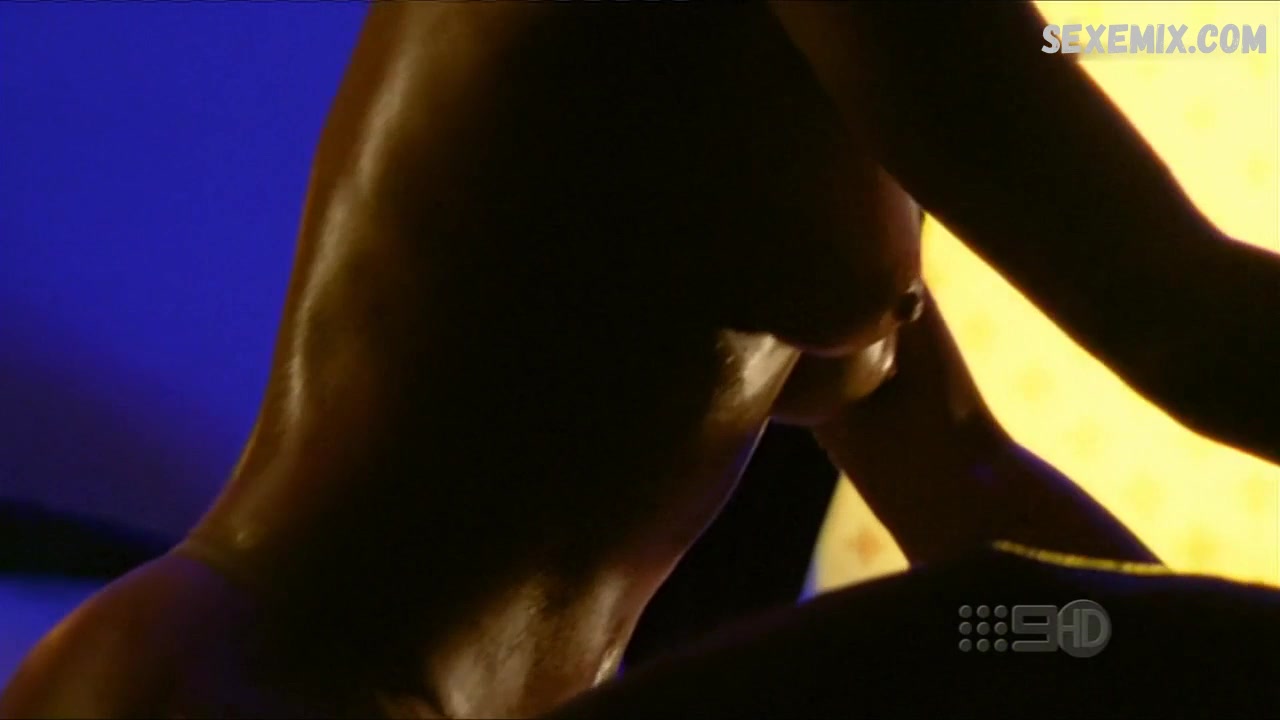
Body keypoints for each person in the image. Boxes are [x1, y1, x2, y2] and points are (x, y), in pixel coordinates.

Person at [3, 2, 1278, 717]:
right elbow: (1186, 323)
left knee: (1042, 634)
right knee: (985, 641)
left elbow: (962, 475)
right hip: (246, 690)